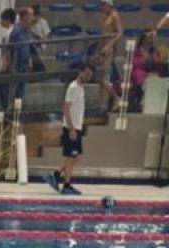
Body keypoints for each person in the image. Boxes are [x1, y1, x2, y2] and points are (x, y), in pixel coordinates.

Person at [46, 62, 93, 194]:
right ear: (80, 72)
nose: (88, 77)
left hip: (76, 127)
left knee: (74, 157)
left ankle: (56, 174)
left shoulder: (81, 89)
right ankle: (66, 184)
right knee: (71, 156)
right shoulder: (73, 88)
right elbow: (66, 109)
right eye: (86, 74)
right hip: (71, 128)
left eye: (90, 75)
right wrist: (71, 129)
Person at [94, 0, 123, 112]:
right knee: (100, 77)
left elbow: (119, 33)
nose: (101, 7)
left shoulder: (115, 16)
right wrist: (97, 51)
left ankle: (116, 98)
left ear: (108, 5)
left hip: (109, 49)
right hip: (103, 49)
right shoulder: (105, 17)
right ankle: (101, 105)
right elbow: (102, 36)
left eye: (103, 5)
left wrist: (109, 46)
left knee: (102, 77)